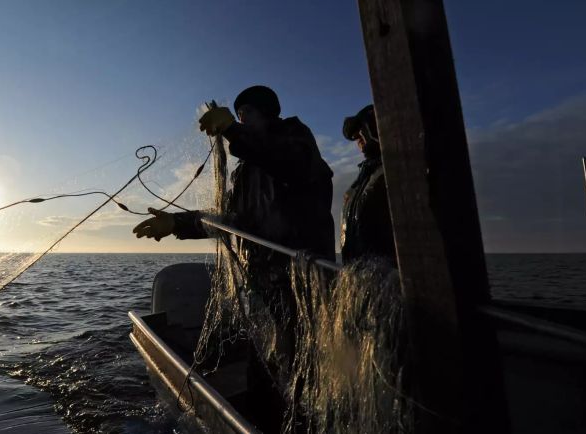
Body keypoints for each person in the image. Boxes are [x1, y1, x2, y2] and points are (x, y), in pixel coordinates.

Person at [133, 85, 334, 427]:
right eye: (237, 115)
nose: (240, 120)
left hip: (302, 286)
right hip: (262, 289)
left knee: (303, 379)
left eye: (246, 114)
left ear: (267, 113)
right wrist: (177, 223)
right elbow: (230, 223)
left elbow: (289, 163)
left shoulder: (295, 139)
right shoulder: (244, 173)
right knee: (263, 379)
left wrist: (233, 131)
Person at [340, 104, 396, 264]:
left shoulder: (397, 169)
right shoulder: (361, 180)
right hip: (362, 275)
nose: (360, 140)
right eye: (357, 137)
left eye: (362, 131)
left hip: (390, 275)